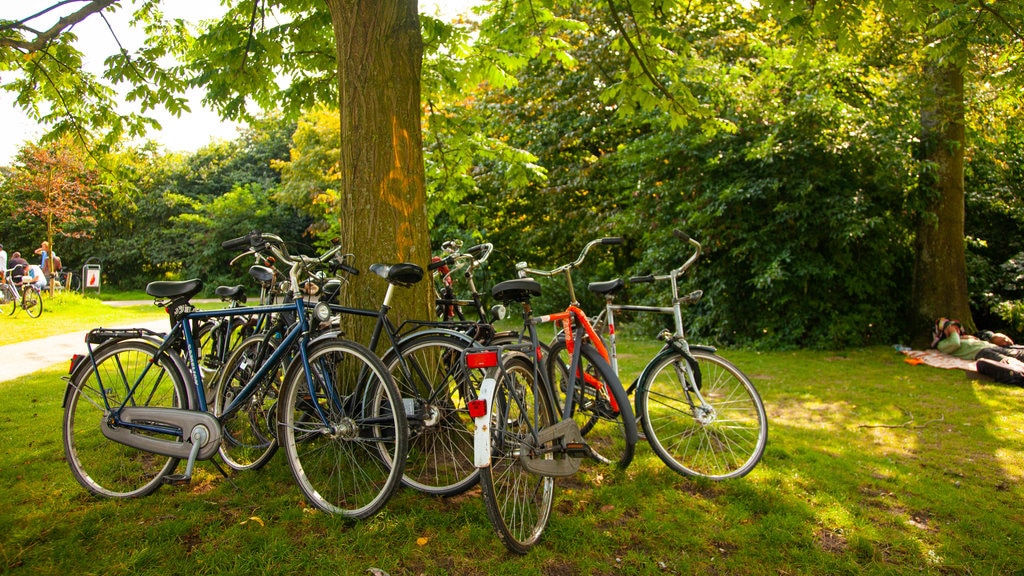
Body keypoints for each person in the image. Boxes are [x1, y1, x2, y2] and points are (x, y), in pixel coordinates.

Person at [932, 317, 1024, 386]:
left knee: (1018, 353)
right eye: (951, 328)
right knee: (1008, 361)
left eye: (956, 328)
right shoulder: (943, 344)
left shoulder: (963, 337)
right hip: (982, 352)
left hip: (993, 347)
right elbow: (955, 343)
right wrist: (954, 333)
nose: (956, 330)